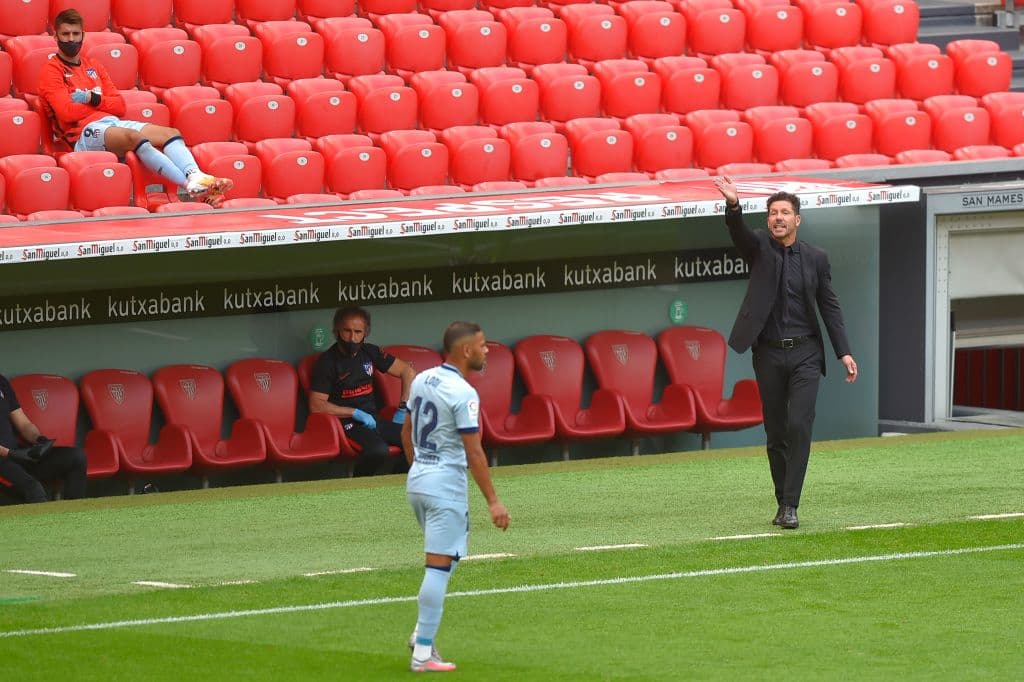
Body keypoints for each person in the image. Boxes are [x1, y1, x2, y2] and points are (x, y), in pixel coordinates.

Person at [713, 176, 858, 530]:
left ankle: (791, 505)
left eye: (785, 213)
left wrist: (844, 352)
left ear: (797, 220)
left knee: (799, 425)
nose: (778, 218)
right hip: (768, 354)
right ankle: (782, 501)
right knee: (776, 432)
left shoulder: (816, 258)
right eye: (773, 213)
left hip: (807, 353)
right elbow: (739, 234)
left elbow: (830, 307)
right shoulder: (759, 248)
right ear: (768, 221)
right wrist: (734, 206)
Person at [38, 8, 233, 205]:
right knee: (134, 138)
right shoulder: (51, 72)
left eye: (75, 34)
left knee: (170, 133)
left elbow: (120, 106)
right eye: (65, 34)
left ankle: (196, 176)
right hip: (82, 135)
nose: (71, 39)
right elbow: (66, 113)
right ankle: (190, 186)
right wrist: (100, 105)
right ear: (56, 37)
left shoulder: (93, 66)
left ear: (83, 36)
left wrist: (93, 100)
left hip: (111, 123)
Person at [403, 321, 510, 673]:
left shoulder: (421, 379)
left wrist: (418, 468)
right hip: (444, 486)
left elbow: (406, 430)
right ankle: (422, 653)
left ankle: (423, 630)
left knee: (448, 557)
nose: (487, 350)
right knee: (437, 566)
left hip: (418, 481)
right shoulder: (463, 393)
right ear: (465, 350)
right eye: (482, 345)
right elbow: (475, 452)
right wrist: (493, 500)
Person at [309, 306, 416, 476]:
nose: (352, 338)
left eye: (358, 332)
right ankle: (358, 488)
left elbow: (407, 372)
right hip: (346, 424)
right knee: (378, 451)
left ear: (366, 333)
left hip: (373, 420)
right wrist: (354, 413)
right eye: (347, 331)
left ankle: (397, 482)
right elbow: (316, 405)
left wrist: (403, 408)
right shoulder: (327, 362)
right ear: (336, 331)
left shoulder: (370, 351)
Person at [0, 374, 87, 504]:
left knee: (76, 457)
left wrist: (39, 439)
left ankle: (77, 516)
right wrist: (9, 453)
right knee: (33, 488)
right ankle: (44, 524)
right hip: (4, 461)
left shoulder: (1, 382)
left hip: (18, 454)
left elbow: (24, 424)